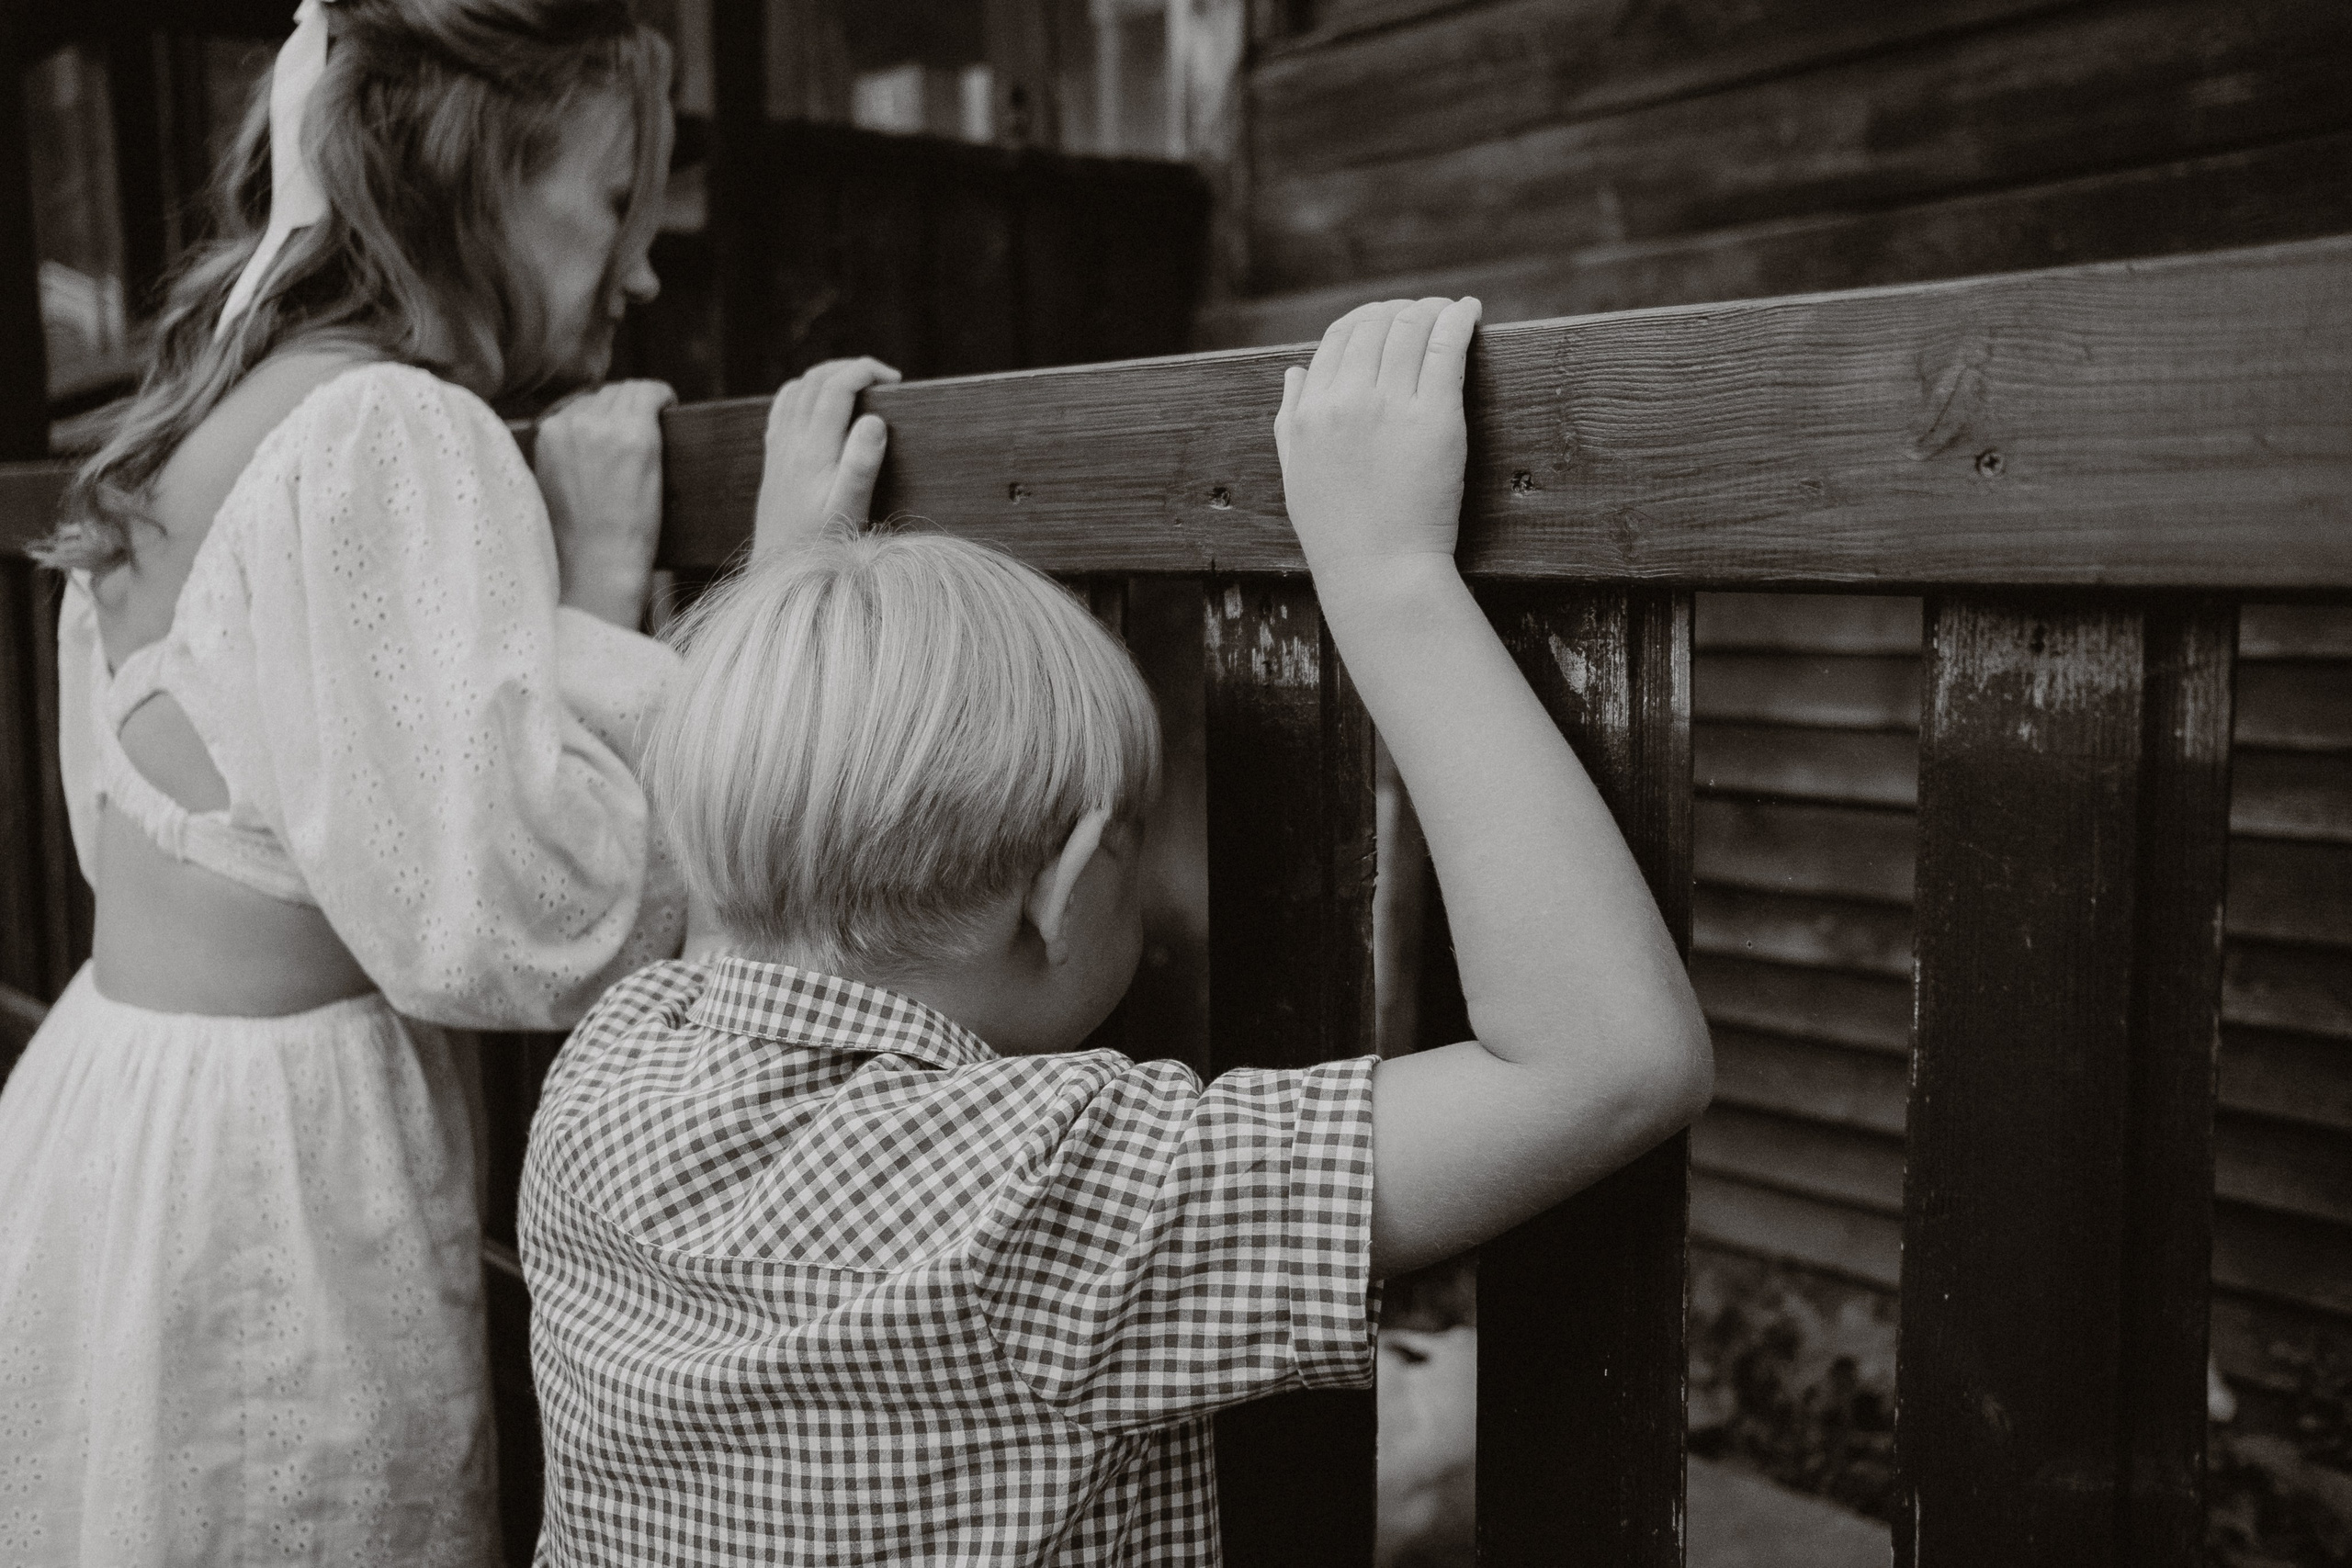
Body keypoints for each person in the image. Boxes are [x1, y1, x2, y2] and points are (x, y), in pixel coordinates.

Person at [518, 295, 1716, 1565]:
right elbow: (1611, 1063)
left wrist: (794, 577)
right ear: (1073, 882)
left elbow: (742, 894)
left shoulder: (608, 1073)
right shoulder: (1049, 1192)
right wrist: (1390, 579)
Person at [0, 1, 889, 1562]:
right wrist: (773, 588)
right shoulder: (393, 430)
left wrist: (577, 599)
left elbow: (346, 784)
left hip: (112, 1119)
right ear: (486, 168)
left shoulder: (219, 408)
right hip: (275, 1187)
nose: (647, 264)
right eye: (619, 202)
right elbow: (516, 916)